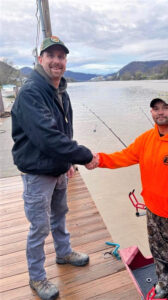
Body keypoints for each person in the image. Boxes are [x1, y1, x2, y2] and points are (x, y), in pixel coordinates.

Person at [86, 93, 168, 300]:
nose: (160, 112)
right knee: (160, 255)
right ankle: (164, 285)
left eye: (165, 107)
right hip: (153, 213)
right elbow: (124, 157)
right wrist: (99, 159)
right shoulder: (147, 139)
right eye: (155, 108)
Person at [11, 36, 95, 300]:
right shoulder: (31, 92)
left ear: (65, 62)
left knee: (60, 213)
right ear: (40, 59)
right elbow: (47, 137)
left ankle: (64, 252)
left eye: (61, 57)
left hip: (58, 168)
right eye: (51, 56)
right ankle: (37, 277)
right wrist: (84, 156)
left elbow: (64, 131)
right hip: (37, 173)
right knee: (39, 227)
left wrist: (68, 161)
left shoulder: (60, 91)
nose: (57, 61)